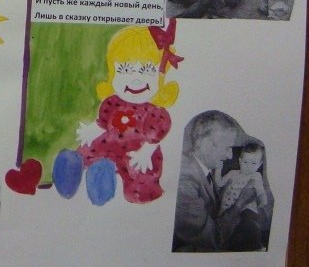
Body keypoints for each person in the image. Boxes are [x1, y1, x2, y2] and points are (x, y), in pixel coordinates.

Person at [76, 26, 179, 203]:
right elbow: (102, 123)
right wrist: (90, 130)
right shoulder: (112, 103)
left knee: (141, 182)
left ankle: (116, 184)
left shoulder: (156, 113)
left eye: (146, 70)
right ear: (112, 74)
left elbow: (154, 140)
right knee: (86, 155)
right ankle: (94, 176)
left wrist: (145, 153)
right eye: (125, 70)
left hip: (136, 155)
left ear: (160, 76)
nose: (136, 79)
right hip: (109, 147)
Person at [171, 111, 252, 252]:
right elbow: (211, 238)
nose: (230, 156)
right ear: (207, 145)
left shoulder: (204, 168)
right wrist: (239, 204)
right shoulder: (185, 182)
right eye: (227, 148)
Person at [215, 142, 273, 251]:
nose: (248, 166)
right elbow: (219, 183)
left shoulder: (255, 177)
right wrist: (218, 170)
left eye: (253, 163)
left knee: (250, 225)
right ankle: (224, 245)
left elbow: (261, 193)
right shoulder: (232, 173)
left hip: (247, 208)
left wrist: (262, 204)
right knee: (226, 228)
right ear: (240, 161)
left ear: (260, 164)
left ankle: (257, 246)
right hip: (227, 207)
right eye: (245, 162)